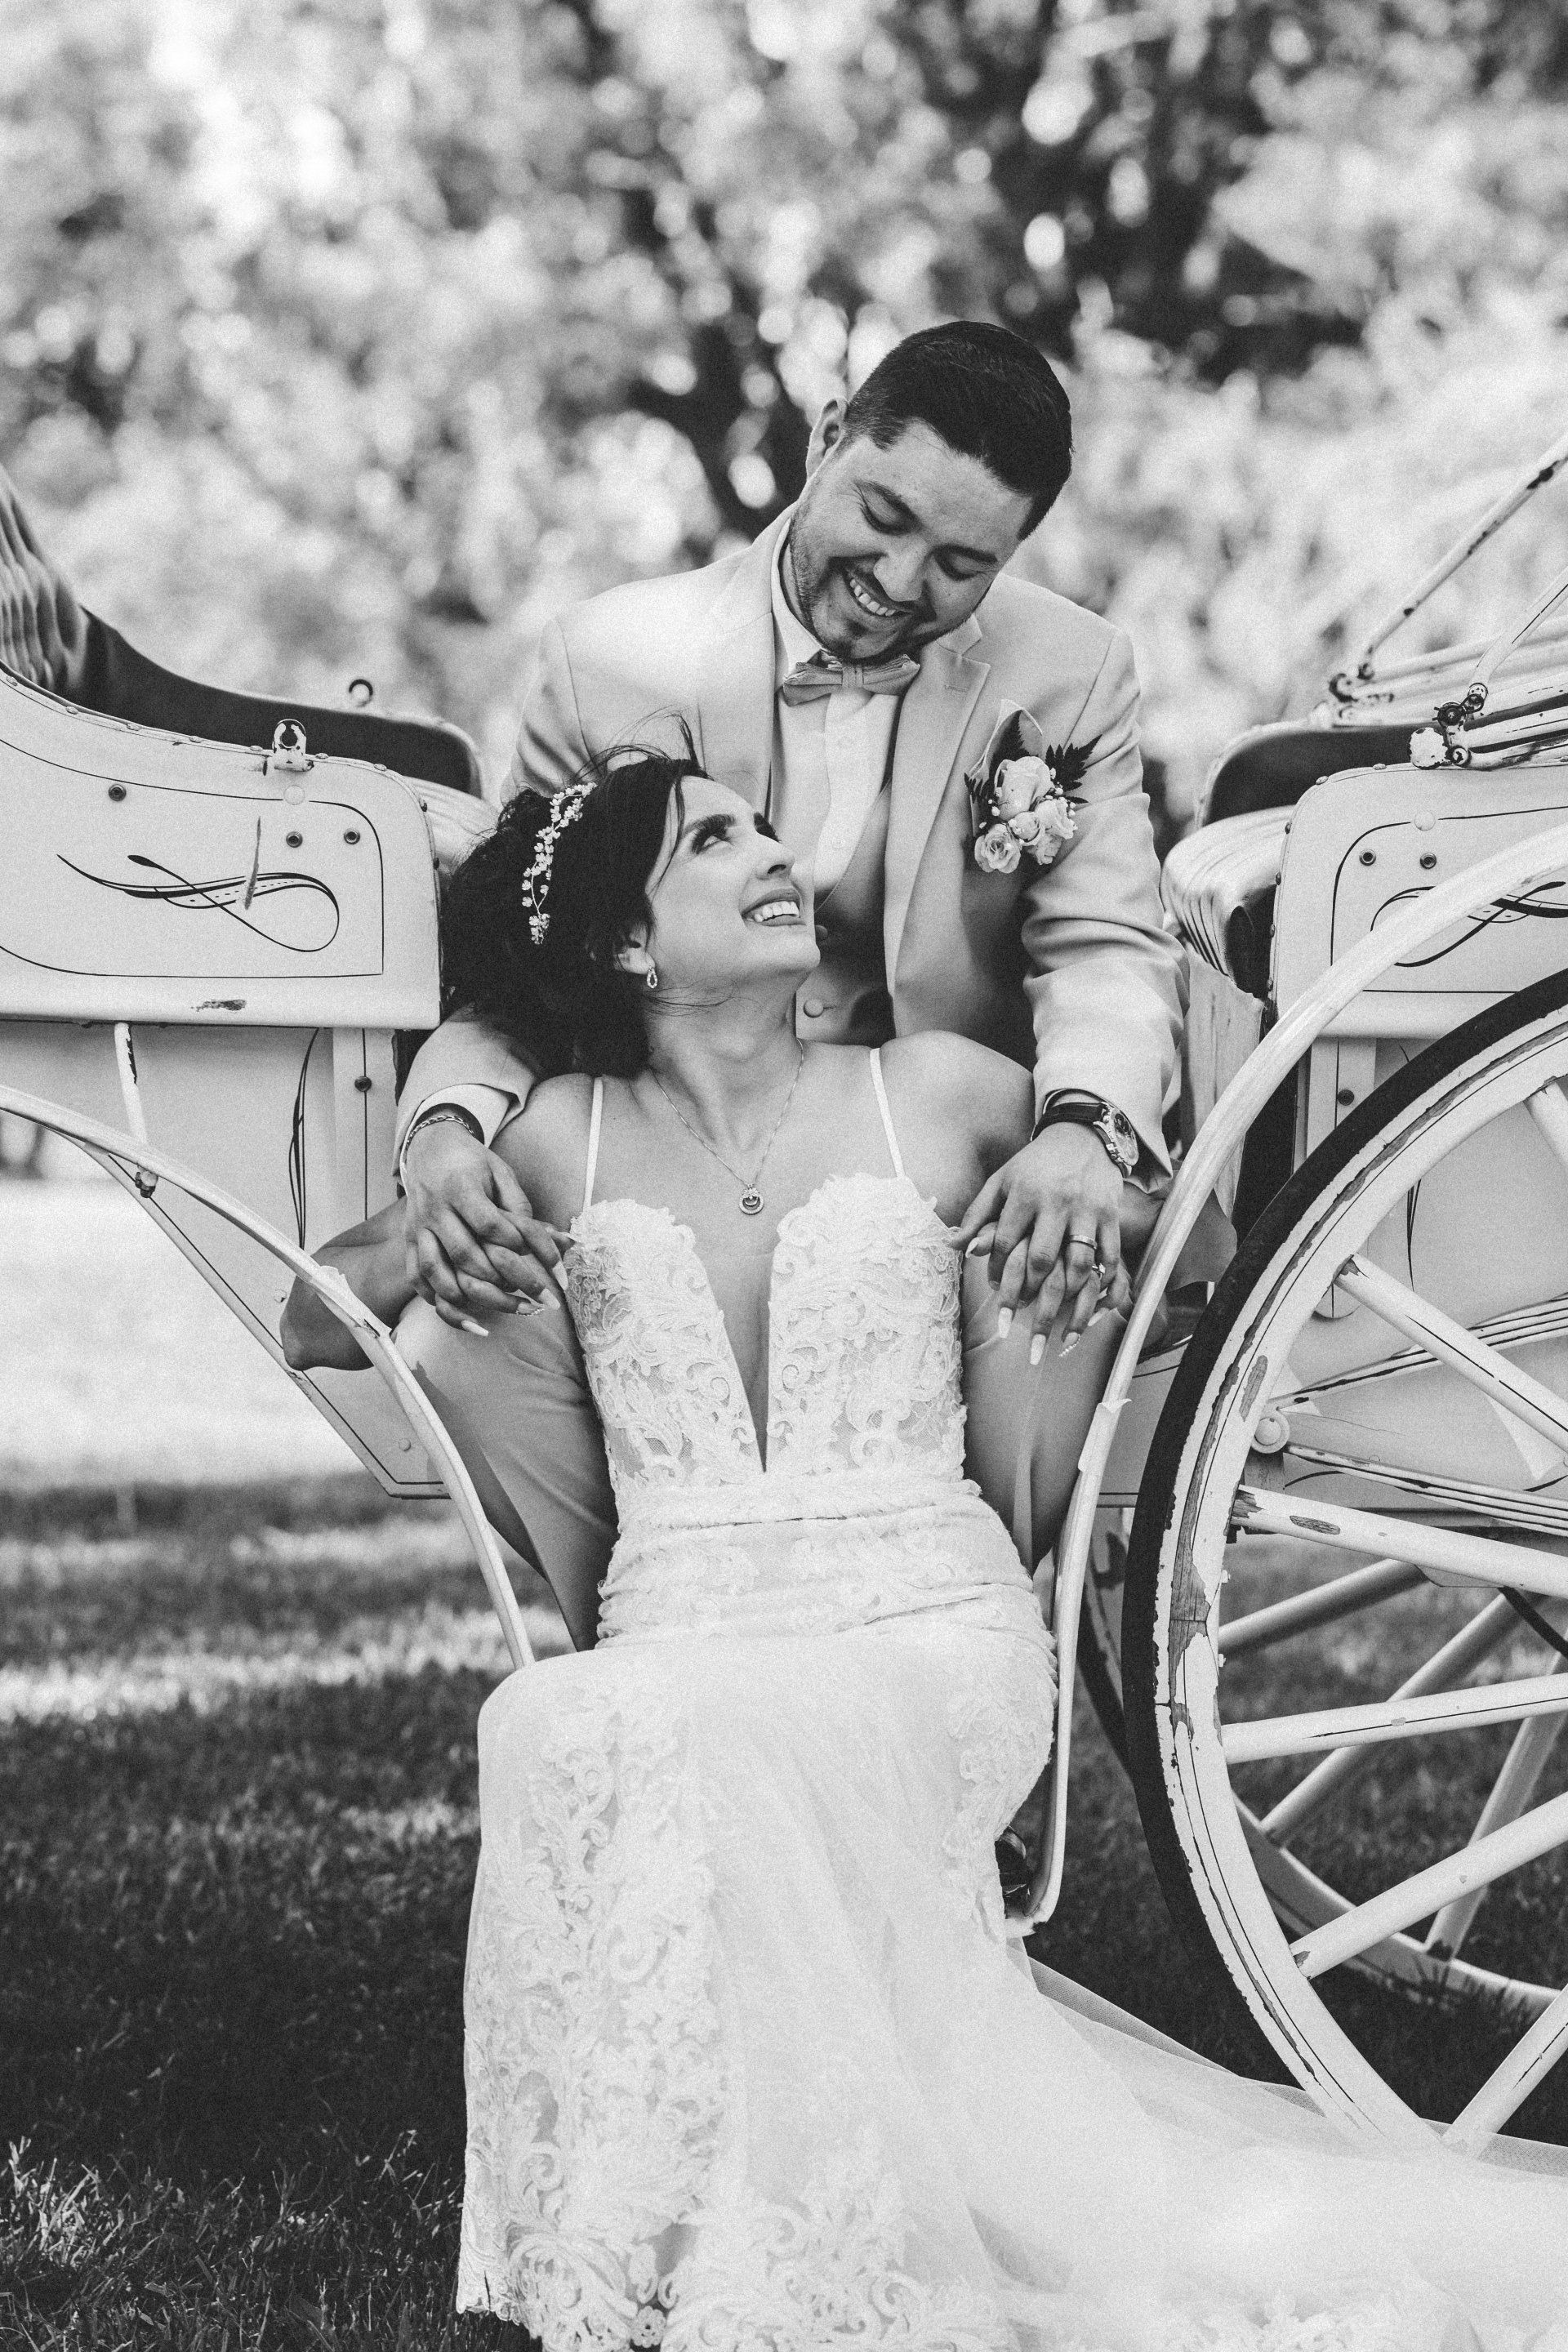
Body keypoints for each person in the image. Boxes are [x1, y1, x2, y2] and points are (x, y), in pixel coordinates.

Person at [296, 744, 1568, 2349]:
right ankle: (647, 2232)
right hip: (688, 1623)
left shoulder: (942, 1091)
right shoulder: (559, 1136)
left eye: (762, 824)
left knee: (690, 1727)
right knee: (553, 1711)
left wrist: (1098, 1187)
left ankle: (791, 2254)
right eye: (714, 841)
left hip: (927, 1629)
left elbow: (1214, 1255)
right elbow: (313, 1319)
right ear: (627, 945)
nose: (774, 853)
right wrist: (432, 1211)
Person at [394, 321, 1187, 1376]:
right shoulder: (609, 664)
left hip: (949, 1192)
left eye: (960, 565)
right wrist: (444, 1130)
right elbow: (520, 965)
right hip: (670, 1176)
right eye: (884, 517)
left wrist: (1084, 1129)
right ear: (826, 439)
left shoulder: (1073, 673)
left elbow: (1104, 948)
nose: (900, 581)